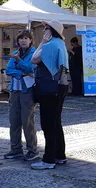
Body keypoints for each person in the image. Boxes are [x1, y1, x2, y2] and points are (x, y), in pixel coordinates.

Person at [31, 20, 70, 170]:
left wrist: (42, 42)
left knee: (48, 124)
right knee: (56, 122)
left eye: (45, 28)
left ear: (50, 31)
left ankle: (49, 159)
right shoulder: (61, 45)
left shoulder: (49, 45)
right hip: (61, 86)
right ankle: (60, 155)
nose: (43, 30)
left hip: (49, 88)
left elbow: (34, 59)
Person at [4, 29, 39, 161]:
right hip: (15, 91)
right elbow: (8, 70)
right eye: (21, 38)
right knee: (14, 121)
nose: (23, 41)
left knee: (27, 121)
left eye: (26, 38)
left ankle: (32, 150)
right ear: (18, 41)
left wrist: (19, 62)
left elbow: (31, 68)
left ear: (30, 40)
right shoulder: (15, 53)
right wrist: (21, 73)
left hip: (27, 91)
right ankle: (16, 149)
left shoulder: (35, 53)